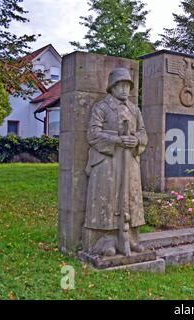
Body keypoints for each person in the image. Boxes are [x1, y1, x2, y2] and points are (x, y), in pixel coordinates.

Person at [85, 68, 147, 256]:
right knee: (107, 199)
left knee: (131, 198)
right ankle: (106, 239)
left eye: (127, 86)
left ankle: (131, 238)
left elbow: (143, 133)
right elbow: (92, 134)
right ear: (111, 87)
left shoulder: (134, 109)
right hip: (107, 162)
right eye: (120, 85)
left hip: (129, 161)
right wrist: (117, 140)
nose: (124, 89)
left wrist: (136, 140)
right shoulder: (102, 107)